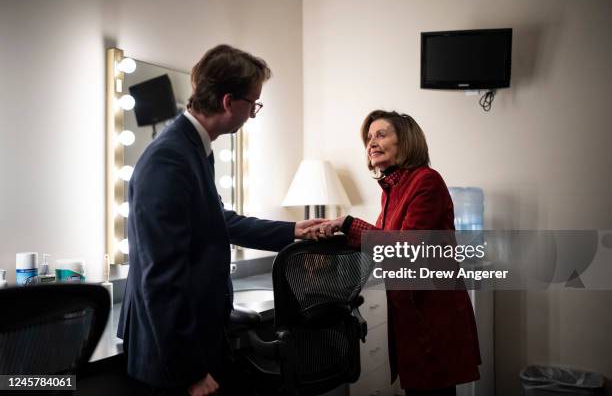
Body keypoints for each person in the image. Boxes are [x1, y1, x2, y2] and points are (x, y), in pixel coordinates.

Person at [118, 44, 324, 396]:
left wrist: (293, 231)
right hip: (171, 358)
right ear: (229, 102)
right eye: (253, 104)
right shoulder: (169, 159)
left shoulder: (194, 150)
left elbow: (219, 221)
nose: (253, 115)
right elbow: (162, 277)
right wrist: (190, 371)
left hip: (198, 335)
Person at [313, 110, 481, 396]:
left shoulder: (426, 181)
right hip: (412, 315)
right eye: (368, 138)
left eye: (380, 134)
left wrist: (349, 224)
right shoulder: (392, 189)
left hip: (432, 315)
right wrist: (333, 241)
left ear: (405, 141)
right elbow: (377, 242)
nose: (371, 143)